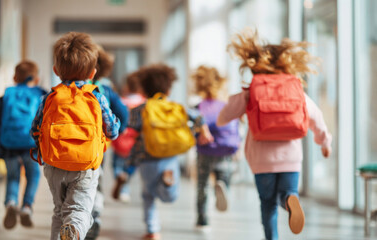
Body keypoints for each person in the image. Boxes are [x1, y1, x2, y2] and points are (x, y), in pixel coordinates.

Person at [217, 30, 332, 240]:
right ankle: (290, 199)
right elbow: (316, 117)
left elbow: (224, 116)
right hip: (290, 158)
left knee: (267, 203)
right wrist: (324, 142)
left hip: (261, 160)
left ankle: (272, 238)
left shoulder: (252, 91)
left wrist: (231, 116)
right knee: (287, 192)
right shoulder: (295, 89)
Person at [30, 32, 120, 240]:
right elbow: (112, 131)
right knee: (80, 211)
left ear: (55, 70)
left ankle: (66, 230)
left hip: (54, 165)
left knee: (59, 211)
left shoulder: (49, 97)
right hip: (85, 165)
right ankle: (75, 230)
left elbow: (35, 130)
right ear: (93, 72)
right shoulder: (96, 96)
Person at [127, 64, 213, 240]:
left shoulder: (142, 109)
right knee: (170, 197)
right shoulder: (175, 106)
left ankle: (152, 231)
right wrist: (204, 130)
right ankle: (168, 184)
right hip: (170, 157)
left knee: (148, 194)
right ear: (169, 89)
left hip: (147, 158)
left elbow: (129, 124)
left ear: (143, 89)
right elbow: (197, 116)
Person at [0, 60, 46, 230]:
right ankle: (26, 207)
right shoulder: (40, 96)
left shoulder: (5, 98)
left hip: (8, 146)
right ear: (37, 79)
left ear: (14, 77)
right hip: (31, 146)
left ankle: (11, 202)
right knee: (33, 175)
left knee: (13, 176)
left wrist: (2, 134)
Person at [84, 45, 129, 240]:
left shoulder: (68, 89)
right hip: (97, 146)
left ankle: (77, 217)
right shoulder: (105, 90)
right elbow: (123, 113)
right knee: (96, 179)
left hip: (68, 147)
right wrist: (117, 132)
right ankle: (96, 212)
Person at [191, 66, 241, 230]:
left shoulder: (198, 106)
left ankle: (202, 219)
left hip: (205, 150)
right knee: (224, 172)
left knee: (202, 185)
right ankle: (223, 183)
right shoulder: (226, 105)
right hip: (225, 149)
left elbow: (192, 129)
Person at [111, 71, 146, 203]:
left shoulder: (121, 101)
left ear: (127, 86)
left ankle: (119, 177)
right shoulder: (143, 102)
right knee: (129, 166)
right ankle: (125, 186)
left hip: (120, 138)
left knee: (116, 165)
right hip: (134, 141)